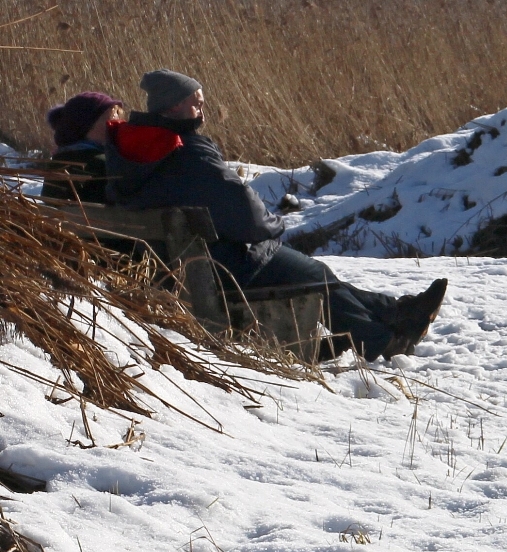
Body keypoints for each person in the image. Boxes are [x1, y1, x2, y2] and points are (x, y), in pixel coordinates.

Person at [104, 69, 445, 362]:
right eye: (196, 102)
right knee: (313, 274)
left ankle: (396, 311)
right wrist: (273, 225)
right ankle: (383, 340)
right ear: (175, 106)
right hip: (215, 268)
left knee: (315, 272)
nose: (202, 108)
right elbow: (242, 210)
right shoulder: (186, 150)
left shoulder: (127, 149)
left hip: (169, 265)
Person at [41, 92, 124, 203]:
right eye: (110, 120)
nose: (117, 125)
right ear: (86, 126)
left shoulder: (58, 160)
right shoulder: (102, 163)